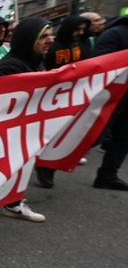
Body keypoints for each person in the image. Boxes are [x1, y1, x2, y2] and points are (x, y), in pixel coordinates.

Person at [0, 16, 53, 221]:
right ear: (28, 40)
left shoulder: (33, 62)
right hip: (2, 130)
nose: (50, 40)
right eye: (43, 37)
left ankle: (13, 203)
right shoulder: (11, 67)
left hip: (21, 130)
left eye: (50, 35)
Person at [36, 15, 95, 188]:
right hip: (52, 97)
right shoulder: (52, 47)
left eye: (83, 29)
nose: (80, 33)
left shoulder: (82, 45)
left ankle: (49, 166)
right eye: (77, 29)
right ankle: (44, 166)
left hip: (76, 95)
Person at [90, 15, 128, 191]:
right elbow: (100, 62)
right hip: (109, 96)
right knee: (94, 136)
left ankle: (108, 175)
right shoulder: (115, 34)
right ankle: (47, 164)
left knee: (123, 137)